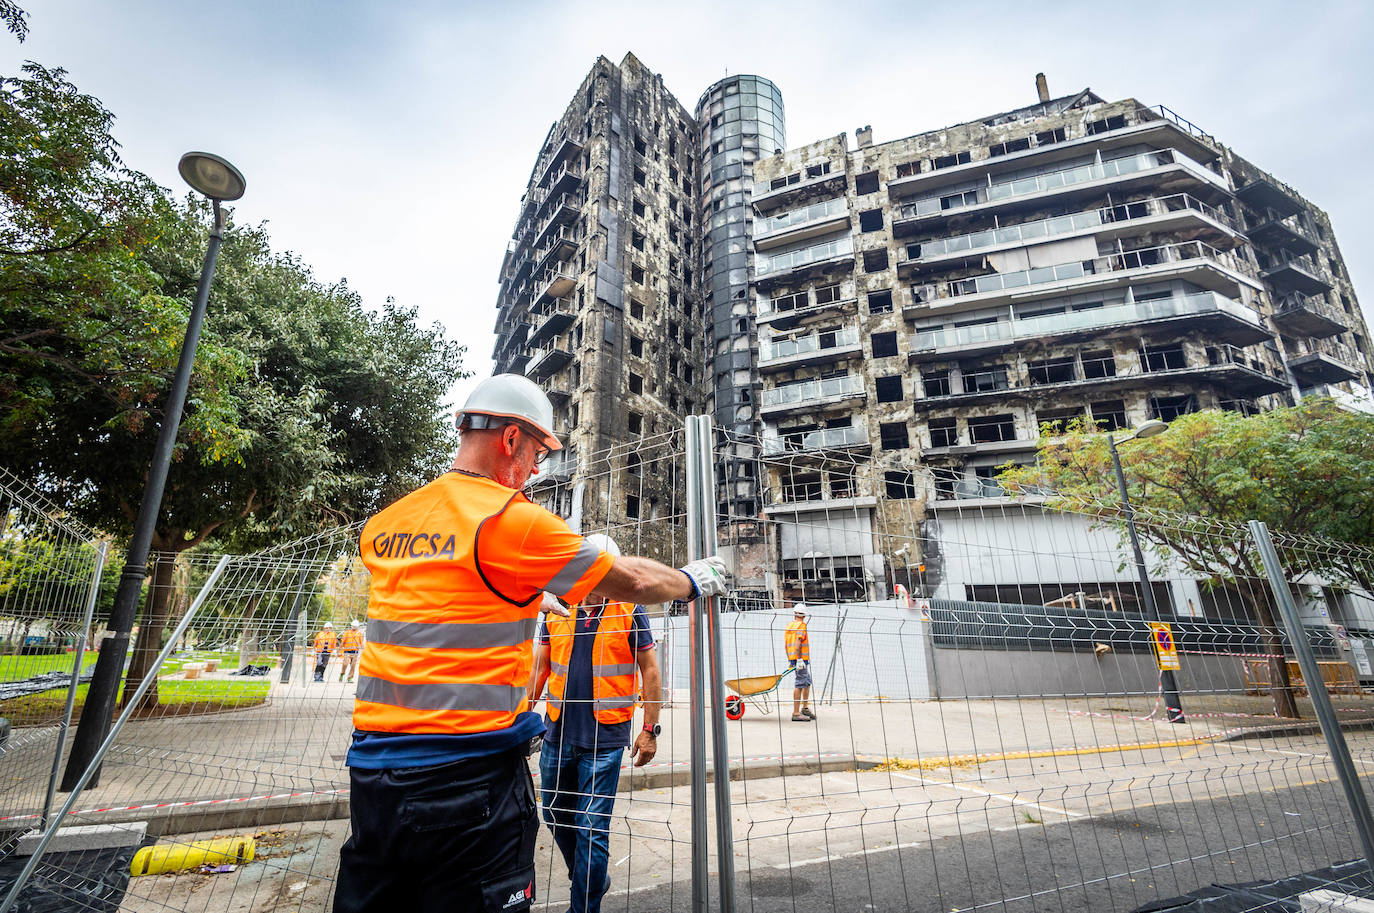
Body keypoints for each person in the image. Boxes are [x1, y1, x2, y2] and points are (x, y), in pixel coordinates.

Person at [334, 374, 729, 913]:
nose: (538, 469)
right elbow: (629, 581)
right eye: (539, 451)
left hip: (375, 773)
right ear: (511, 439)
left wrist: (532, 600)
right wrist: (691, 579)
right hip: (466, 778)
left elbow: (448, 599)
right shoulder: (509, 522)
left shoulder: (389, 524)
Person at [526, 533, 660, 913]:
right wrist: (521, 715)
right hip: (557, 733)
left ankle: (584, 906)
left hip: (605, 738)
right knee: (553, 811)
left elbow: (650, 670)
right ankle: (593, 878)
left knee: (591, 830)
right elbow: (539, 667)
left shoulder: (629, 610)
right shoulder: (557, 608)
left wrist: (650, 729)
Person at [785, 605, 814, 721]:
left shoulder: (789, 626)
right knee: (800, 683)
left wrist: (790, 660)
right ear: (804, 615)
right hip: (800, 659)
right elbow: (798, 643)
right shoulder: (802, 626)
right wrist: (798, 660)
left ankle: (805, 708)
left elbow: (786, 645)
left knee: (807, 681)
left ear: (794, 613)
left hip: (793, 658)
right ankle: (796, 713)